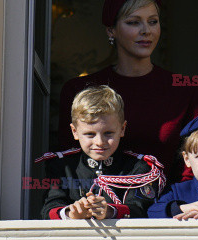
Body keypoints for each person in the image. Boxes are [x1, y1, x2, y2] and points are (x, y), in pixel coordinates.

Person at [58, 0, 198, 183]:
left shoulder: (187, 91)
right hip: (100, 208)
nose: (146, 30)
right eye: (133, 22)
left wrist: (175, 206)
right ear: (111, 31)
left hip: (171, 209)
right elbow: (67, 164)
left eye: (153, 21)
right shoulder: (78, 89)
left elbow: (196, 162)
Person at [38, 85, 166, 219]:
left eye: (108, 133)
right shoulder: (62, 167)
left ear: (122, 129)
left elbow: (143, 209)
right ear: (74, 131)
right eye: (90, 134)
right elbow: (49, 209)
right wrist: (72, 212)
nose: (99, 142)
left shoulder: (139, 168)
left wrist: (110, 211)